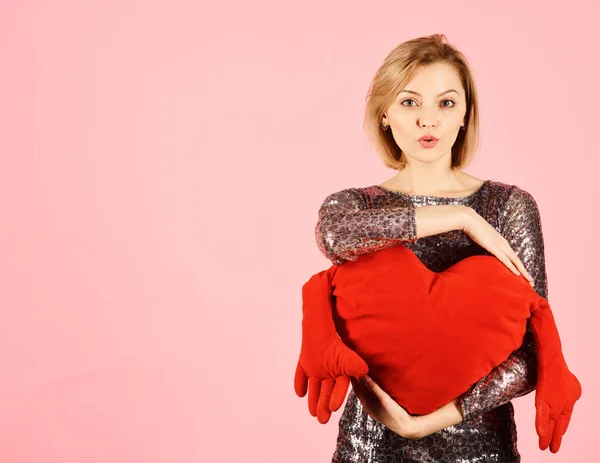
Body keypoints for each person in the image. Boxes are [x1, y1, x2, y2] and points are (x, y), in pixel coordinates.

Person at [314, 34, 547, 462]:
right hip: (369, 445)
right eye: (409, 102)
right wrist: (460, 217)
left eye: (446, 103)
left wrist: (431, 420)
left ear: (464, 115)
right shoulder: (353, 205)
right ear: (384, 114)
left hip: (479, 448)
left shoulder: (510, 206)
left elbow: (536, 351)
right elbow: (334, 237)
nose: (429, 121)